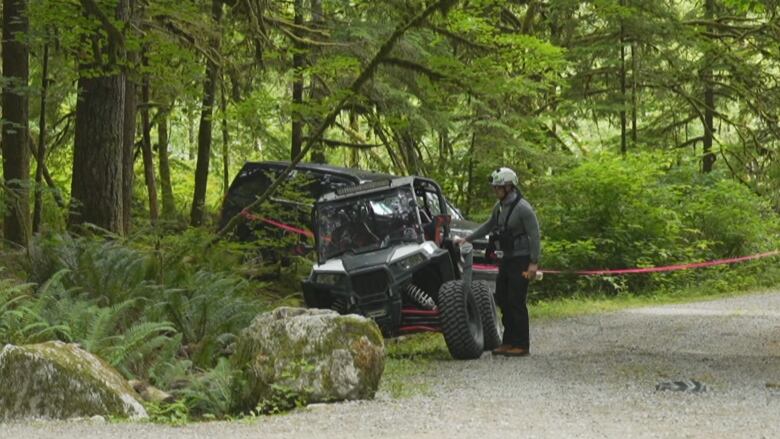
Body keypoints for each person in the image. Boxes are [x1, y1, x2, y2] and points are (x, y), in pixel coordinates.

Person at [454, 167, 541, 357]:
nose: (495, 191)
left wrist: (533, 263)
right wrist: (468, 239)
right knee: (502, 296)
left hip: (522, 259)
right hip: (507, 258)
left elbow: (534, 235)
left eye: (498, 187)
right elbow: (488, 225)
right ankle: (508, 342)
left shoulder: (523, 208)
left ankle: (521, 344)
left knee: (516, 300)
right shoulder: (500, 206)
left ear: (509, 187)